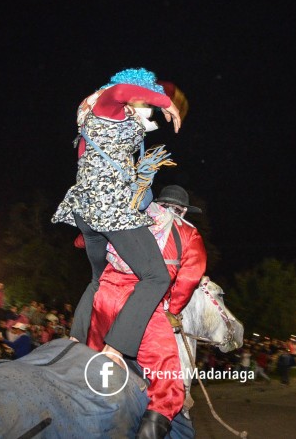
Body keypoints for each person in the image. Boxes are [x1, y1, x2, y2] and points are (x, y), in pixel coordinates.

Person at [52, 68, 182, 370]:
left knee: (98, 280)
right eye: (145, 100)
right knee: (157, 276)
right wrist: (166, 102)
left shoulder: (90, 116)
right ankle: (115, 348)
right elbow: (120, 91)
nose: (148, 108)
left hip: (87, 212)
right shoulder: (109, 107)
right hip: (111, 211)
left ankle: (74, 340)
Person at [85, 185, 207, 439]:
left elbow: (86, 239)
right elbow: (189, 279)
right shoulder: (189, 233)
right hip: (144, 304)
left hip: (104, 298)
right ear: (184, 211)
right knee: (169, 387)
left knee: (92, 364)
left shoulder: (134, 218)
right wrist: (172, 309)